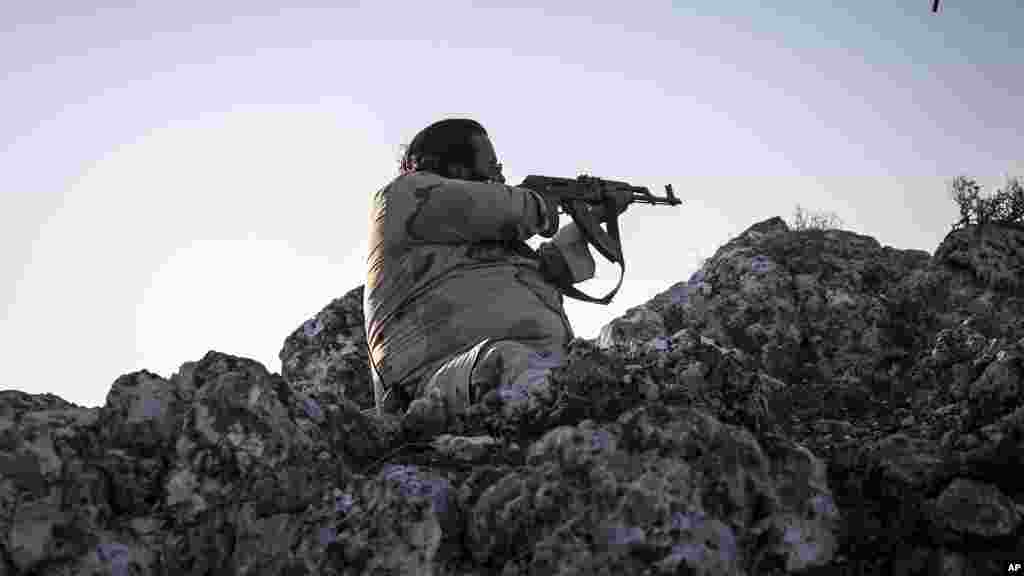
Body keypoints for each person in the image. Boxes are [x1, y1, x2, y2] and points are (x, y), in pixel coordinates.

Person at [363, 118, 630, 426]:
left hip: (528, 367)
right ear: (458, 171)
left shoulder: (472, 234)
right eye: (492, 166)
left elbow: (547, 267)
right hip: (439, 384)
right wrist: (541, 204)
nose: (501, 176)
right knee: (508, 362)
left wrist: (594, 215)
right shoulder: (402, 197)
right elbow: (500, 207)